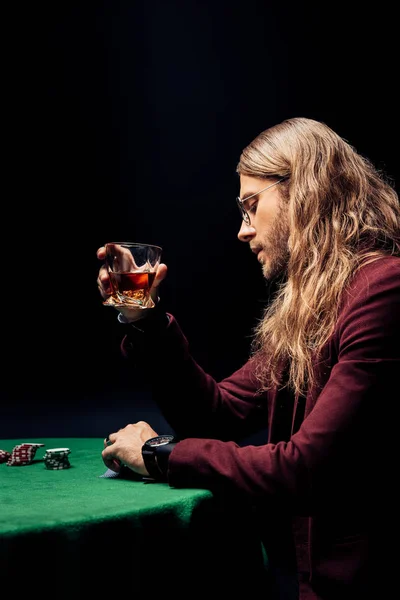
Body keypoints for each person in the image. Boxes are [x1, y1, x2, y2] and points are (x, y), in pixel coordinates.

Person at [96, 117, 400, 600]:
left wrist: (160, 455)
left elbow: (305, 468)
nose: (242, 230)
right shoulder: (314, 305)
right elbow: (219, 413)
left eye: (250, 206)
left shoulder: (384, 289)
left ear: (305, 191)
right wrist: (143, 319)